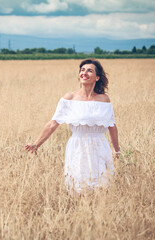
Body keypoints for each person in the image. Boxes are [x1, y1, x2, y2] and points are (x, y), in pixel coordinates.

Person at [25, 58, 120, 194]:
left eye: (89, 71)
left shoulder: (104, 99)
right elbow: (53, 123)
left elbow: (112, 126)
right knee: (80, 187)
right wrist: (36, 144)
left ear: (97, 77)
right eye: (82, 70)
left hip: (100, 146)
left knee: (101, 187)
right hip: (78, 147)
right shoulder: (69, 98)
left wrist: (117, 151)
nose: (84, 73)